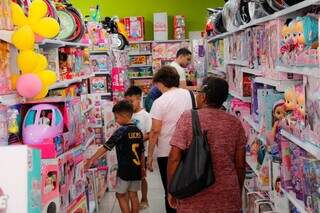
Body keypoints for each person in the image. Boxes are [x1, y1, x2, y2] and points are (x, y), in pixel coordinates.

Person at [167, 77, 246, 213]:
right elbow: (240, 164)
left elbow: (174, 158)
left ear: (203, 97)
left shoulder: (188, 119)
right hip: (227, 196)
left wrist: (171, 189)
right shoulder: (235, 123)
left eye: (198, 92)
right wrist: (236, 189)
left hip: (192, 193)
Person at [84, 101, 144, 213]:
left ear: (125, 116)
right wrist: (143, 169)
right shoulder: (138, 131)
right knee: (134, 195)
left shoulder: (121, 131)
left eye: (116, 117)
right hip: (136, 170)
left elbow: (105, 147)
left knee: (120, 195)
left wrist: (91, 159)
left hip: (124, 171)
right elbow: (141, 152)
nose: (116, 120)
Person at [147, 66, 193, 213]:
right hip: (189, 149)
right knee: (189, 189)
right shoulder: (189, 95)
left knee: (170, 191)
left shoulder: (159, 102)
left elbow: (155, 131)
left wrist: (149, 157)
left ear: (161, 83)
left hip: (167, 151)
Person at [124, 86, 152, 210]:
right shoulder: (126, 115)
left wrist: (137, 139)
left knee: (141, 176)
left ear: (139, 99)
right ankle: (132, 198)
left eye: (132, 101)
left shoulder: (145, 115)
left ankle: (144, 198)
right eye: (127, 102)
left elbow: (150, 133)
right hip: (128, 153)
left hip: (142, 153)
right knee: (130, 177)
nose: (129, 105)